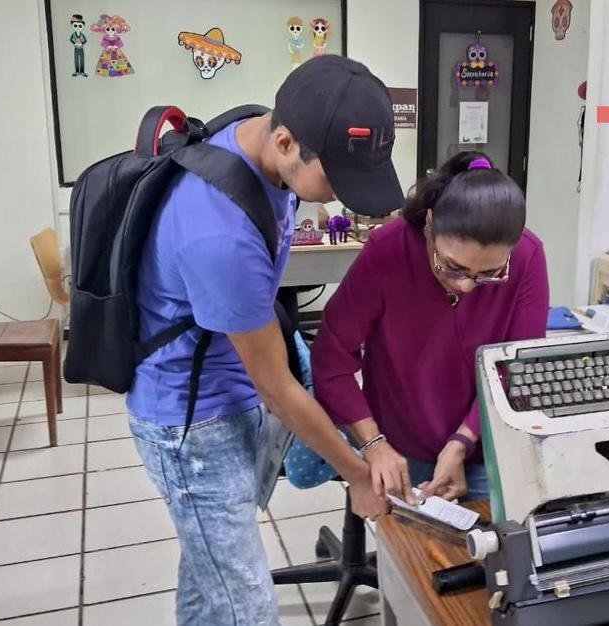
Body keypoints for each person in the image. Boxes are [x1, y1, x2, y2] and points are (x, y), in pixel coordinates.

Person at [127, 55, 403, 626]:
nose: (340, 200)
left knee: (208, 582)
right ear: (284, 142)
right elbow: (276, 388)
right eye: (335, 181)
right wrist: (356, 473)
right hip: (190, 428)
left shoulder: (260, 136)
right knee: (246, 607)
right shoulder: (219, 231)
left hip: (230, 396)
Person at [312, 151, 549, 503]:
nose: (466, 286)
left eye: (489, 275)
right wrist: (374, 444)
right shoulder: (388, 251)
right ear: (429, 223)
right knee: (411, 553)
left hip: (487, 438)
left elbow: (516, 369)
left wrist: (462, 442)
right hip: (399, 441)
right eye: (452, 266)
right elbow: (332, 357)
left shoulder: (527, 258)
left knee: (500, 545)